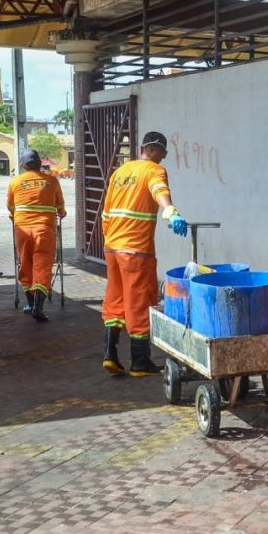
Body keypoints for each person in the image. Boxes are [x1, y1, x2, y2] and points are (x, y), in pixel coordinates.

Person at [101, 131, 188, 377]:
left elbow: (106, 213)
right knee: (139, 301)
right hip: (136, 250)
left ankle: (110, 354)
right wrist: (171, 210)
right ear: (158, 151)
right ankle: (140, 362)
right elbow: (159, 190)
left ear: (142, 148)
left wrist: (111, 240)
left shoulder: (120, 172)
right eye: (163, 153)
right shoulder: (154, 170)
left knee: (115, 299)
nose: (163, 158)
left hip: (112, 247)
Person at [7, 150, 66, 322]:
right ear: (40, 163)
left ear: (23, 165)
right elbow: (60, 208)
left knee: (25, 263)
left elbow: (10, 208)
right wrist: (61, 213)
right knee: (42, 264)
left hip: (22, 230)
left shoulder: (15, 182)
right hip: (44, 230)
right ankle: (38, 307)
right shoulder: (52, 181)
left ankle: (30, 304)